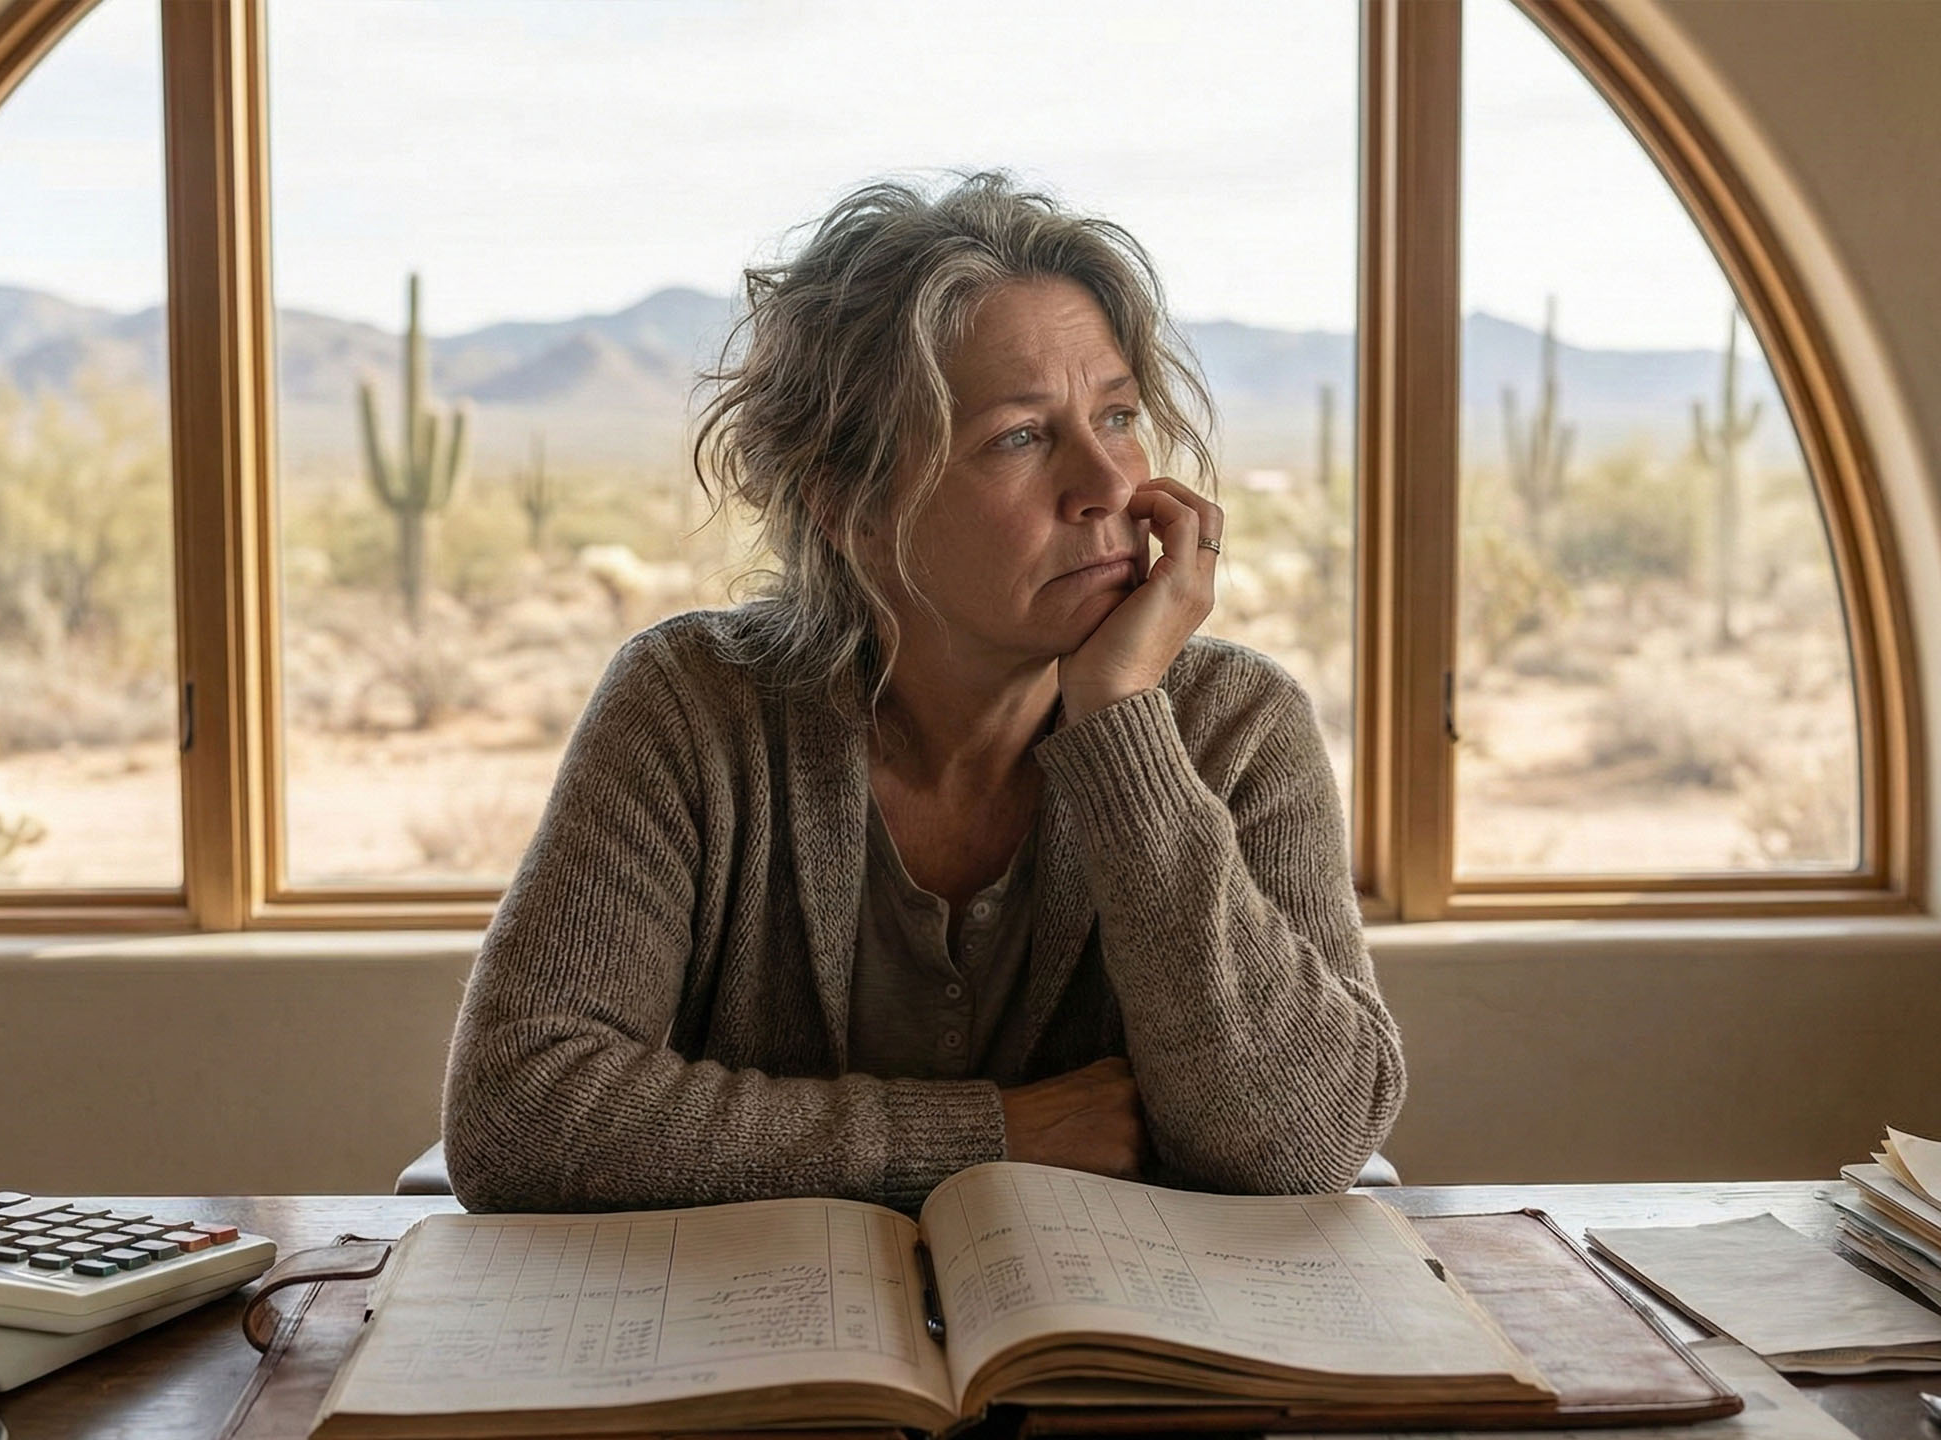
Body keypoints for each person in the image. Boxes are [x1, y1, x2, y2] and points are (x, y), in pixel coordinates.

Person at [442, 171, 1401, 1212]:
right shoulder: (693, 708)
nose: (1109, 487)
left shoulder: (1236, 724)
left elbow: (1303, 1143)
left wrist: (1122, 719)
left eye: (1117, 416)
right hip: (779, 1350)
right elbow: (519, 1113)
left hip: (1123, 1361)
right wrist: (996, 1135)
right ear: (851, 507)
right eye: (1021, 436)